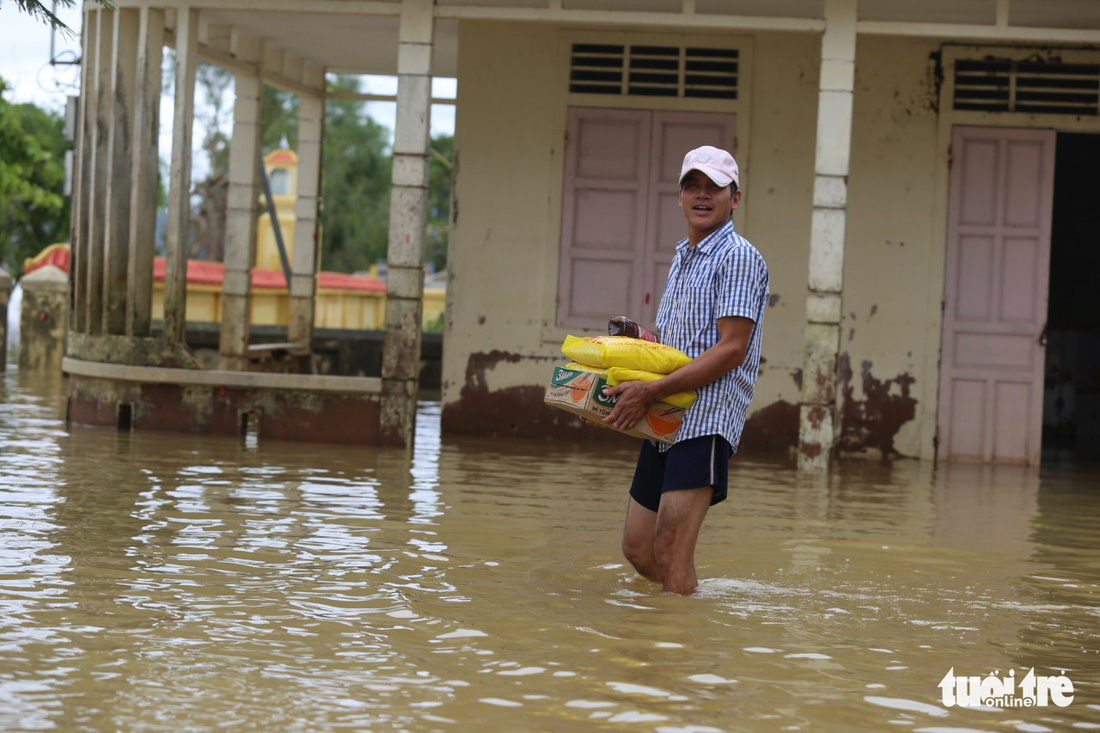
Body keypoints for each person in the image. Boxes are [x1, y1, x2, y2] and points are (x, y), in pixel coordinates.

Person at [602, 145, 769, 595]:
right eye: (692, 185)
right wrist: (620, 370)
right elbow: (676, 346)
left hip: (705, 417)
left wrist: (650, 392)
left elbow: (732, 349)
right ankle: (690, 605)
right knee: (639, 549)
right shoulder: (683, 256)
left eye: (714, 187)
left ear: (734, 198)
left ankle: (678, 657)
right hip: (665, 415)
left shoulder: (737, 256)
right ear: (679, 196)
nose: (702, 194)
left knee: (671, 551)